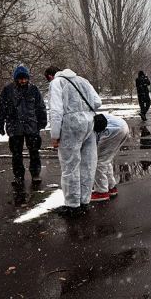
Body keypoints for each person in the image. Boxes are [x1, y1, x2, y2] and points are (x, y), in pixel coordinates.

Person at [45, 66, 102, 217]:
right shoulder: (83, 80)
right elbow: (97, 102)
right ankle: (84, 201)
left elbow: (56, 111)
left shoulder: (57, 83)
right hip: (89, 123)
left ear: (51, 76)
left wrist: (55, 135)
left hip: (71, 125)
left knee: (70, 165)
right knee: (87, 164)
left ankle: (72, 205)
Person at [0, 66, 47, 186]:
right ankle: (18, 176)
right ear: (15, 79)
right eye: (20, 79)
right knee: (16, 154)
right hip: (14, 127)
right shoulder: (8, 90)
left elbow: (40, 107)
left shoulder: (34, 90)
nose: (23, 81)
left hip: (31, 126)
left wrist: (42, 121)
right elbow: (1, 108)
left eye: (25, 78)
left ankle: (35, 174)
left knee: (34, 152)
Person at [91, 114, 130, 202]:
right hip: (121, 125)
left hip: (112, 129)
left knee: (99, 161)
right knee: (105, 160)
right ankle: (110, 187)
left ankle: (101, 192)